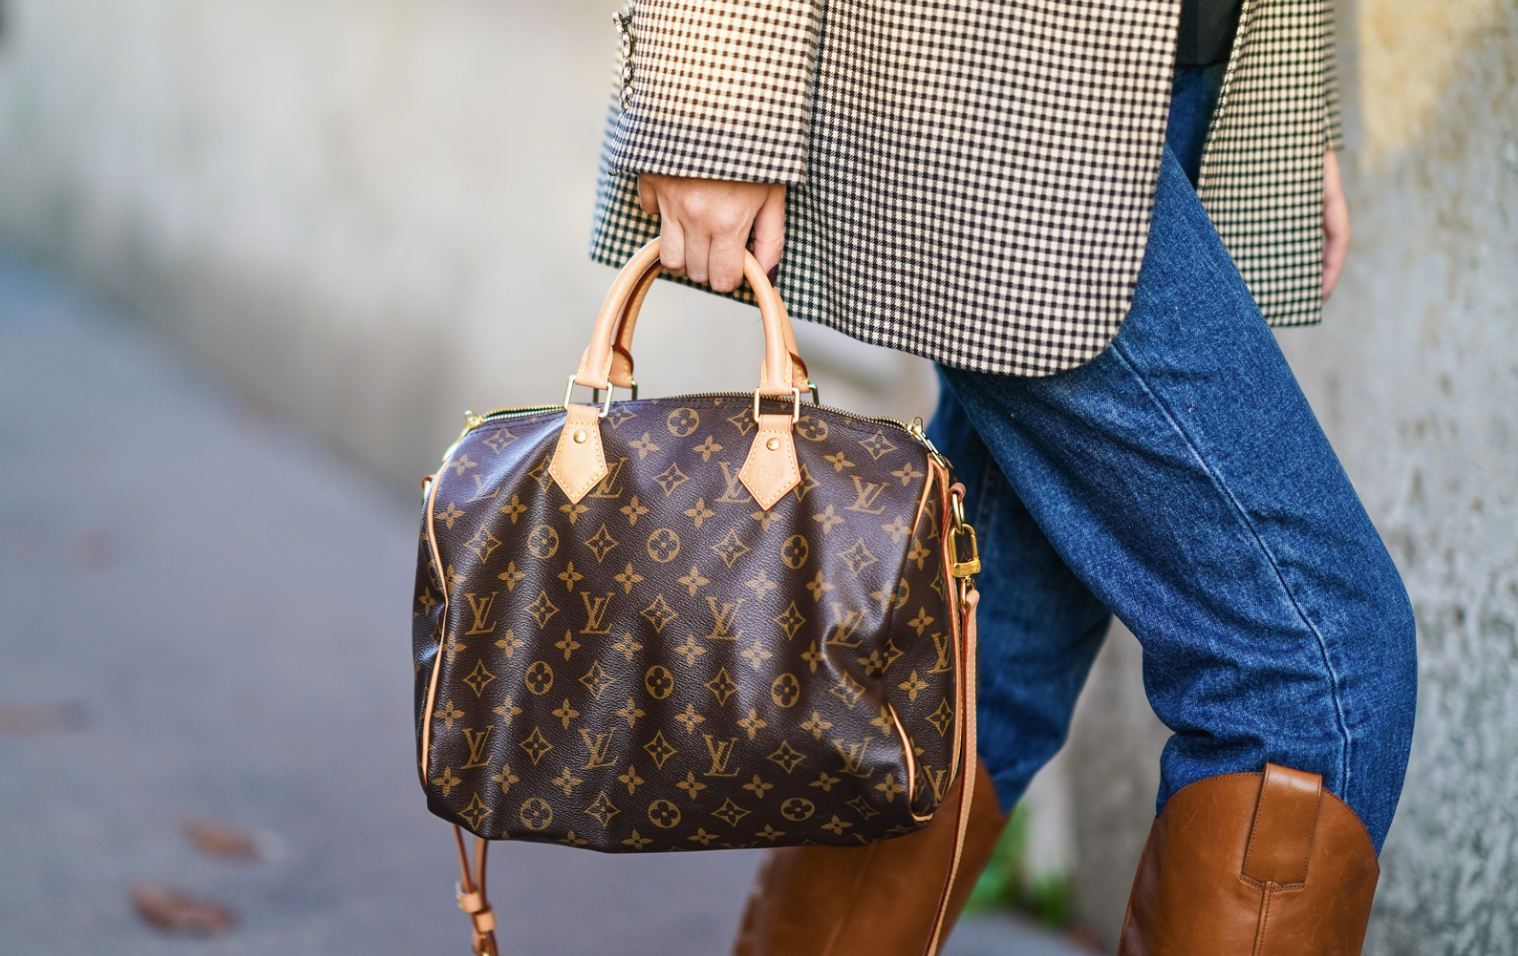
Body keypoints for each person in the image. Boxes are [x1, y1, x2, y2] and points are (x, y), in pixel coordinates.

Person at [588, 0, 1417, 952]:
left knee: (978, 675)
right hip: (985, 88)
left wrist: (1281, 109)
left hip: (1170, 83)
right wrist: (709, 89)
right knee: (1315, 676)